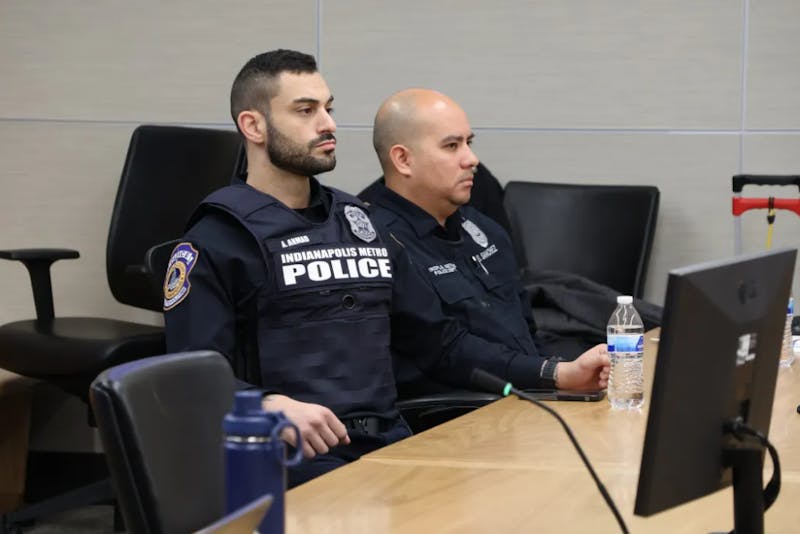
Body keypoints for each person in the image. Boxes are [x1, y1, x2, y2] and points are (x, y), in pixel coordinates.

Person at [162, 49, 410, 487]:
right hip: (290, 457)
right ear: (253, 126)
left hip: (391, 445)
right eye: (306, 111)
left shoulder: (359, 222)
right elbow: (189, 381)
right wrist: (266, 404)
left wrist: (547, 372)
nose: (328, 124)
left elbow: (431, 337)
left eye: (328, 109)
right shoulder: (215, 240)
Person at [368, 88, 611, 398]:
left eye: (469, 143)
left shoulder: (483, 228)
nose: (472, 159)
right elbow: (447, 351)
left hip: (531, 396)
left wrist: (558, 377)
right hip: (457, 418)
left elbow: (525, 329)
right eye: (452, 146)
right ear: (403, 159)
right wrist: (555, 375)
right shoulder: (379, 244)